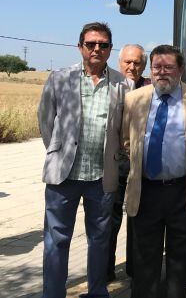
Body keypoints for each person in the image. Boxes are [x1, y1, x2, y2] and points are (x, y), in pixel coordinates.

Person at [37, 22, 131, 298]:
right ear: (80, 47)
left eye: (103, 45)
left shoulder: (121, 85)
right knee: (56, 241)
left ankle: (97, 292)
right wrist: (57, 150)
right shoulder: (60, 78)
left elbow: (123, 128)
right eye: (91, 44)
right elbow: (46, 121)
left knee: (100, 241)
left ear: (110, 49)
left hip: (102, 177)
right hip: (63, 176)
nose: (97, 49)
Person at [121, 44, 186, 298]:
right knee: (144, 263)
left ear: (180, 69)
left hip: (183, 192)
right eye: (157, 67)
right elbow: (125, 140)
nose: (162, 72)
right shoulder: (134, 99)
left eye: (169, 67)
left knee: (179, 263)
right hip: (146, 191)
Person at [107, 43, 148, 282]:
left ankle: (136, 269)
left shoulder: (150, 88)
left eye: (137, 62)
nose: (132, 66)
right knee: (110, 220)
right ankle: (106, 270)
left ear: (144, 65)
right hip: (113, 165)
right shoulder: (110, 87)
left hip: (140, 167)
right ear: (119, 61)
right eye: (127, 62)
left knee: (138, 220)